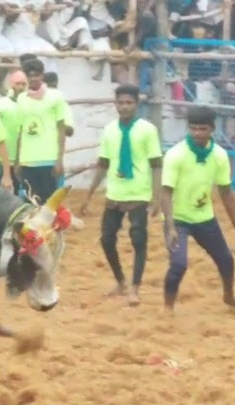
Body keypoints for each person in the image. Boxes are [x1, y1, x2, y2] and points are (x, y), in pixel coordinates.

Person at [161, 105, 235, 315]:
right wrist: (170, 226)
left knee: (226, 259)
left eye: (202, 129)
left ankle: (229, 296)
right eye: (193, 128)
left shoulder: (220, 156)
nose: (197, 133)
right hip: (177, 219)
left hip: (204, 218)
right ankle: (168, 308)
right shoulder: (175, 154)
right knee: (179, 264)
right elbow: (165, 192)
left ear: (212, 129)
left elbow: (226, 194)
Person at [82, 84, 162, 306]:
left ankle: (135, 287)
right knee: (107, 239)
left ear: (137, 104)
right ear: (115, 104)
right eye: (121, 103)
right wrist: (89, 193)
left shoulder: (147, 130)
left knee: (138, 239)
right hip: (115, 192)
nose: (125, 107)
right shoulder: (109, 130)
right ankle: (121, 281)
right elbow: (103, 163)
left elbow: (156, 164)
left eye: (129, 103)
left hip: (139, 193)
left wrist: (156, 198)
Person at [15, 59, 66, 204]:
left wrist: (59, 159)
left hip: (48, 160)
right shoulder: (21, 99)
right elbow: (21, 131)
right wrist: (18, 161)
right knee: (28, 204)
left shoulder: (55, 97)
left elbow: (61, 129)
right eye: (29, 75)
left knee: (49, 205)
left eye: (36, 75)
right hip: (27, 161)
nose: (33, 79)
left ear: (42, 76)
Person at [0, 69, 27, 194]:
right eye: (18, 84)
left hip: (23, 161)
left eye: (24, 84)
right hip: (0, 160)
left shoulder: (30, 106)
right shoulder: (0, 105)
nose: (21, 87)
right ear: (11, 85)